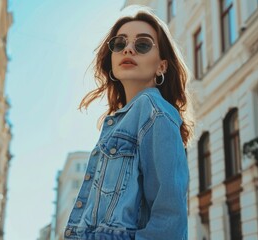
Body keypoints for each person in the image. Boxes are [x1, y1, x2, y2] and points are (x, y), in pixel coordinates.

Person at [65, 5, 194, 240]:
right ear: (112, 59)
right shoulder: (118, 121)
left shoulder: (155, 113)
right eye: (120, 44)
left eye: (142, 44)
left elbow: (169, 222)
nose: (128, 50)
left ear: (161, 65)